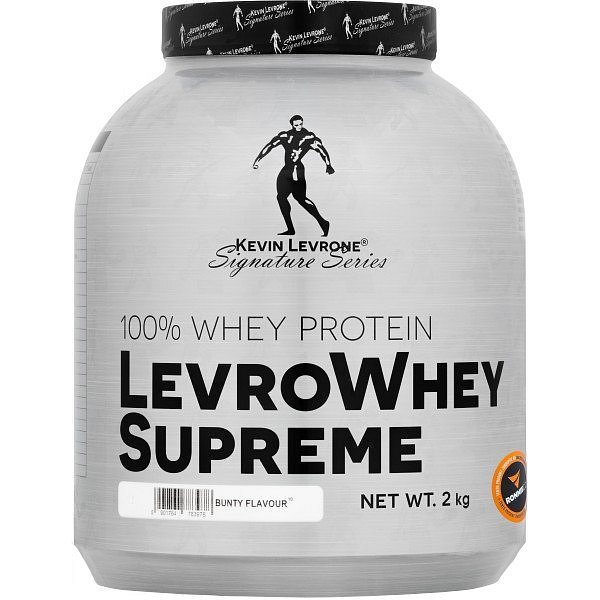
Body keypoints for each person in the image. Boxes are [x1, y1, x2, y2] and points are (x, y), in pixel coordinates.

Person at [253, 116, 334, 236]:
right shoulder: (285, 136)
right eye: (296, 125)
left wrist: (328, 164)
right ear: (292, 125)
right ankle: (290, 229)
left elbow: (321, 150)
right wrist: (257, 160)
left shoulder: (308, 137)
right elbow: (270, 146)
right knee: (281, 197)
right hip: (286, 170)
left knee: (301, 199)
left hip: (297, 170)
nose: (299, 127)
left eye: (301, 124)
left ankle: (323, 222)